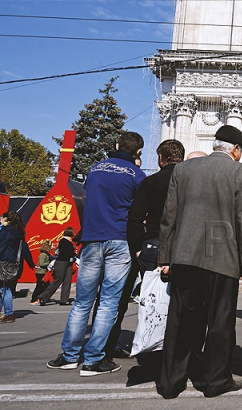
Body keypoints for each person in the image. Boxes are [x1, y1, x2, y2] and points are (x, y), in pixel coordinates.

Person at [157, 125, 242, 399]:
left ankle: (170, 383)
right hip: (222, 260)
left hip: (184, 257)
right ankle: (217, 380)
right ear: (235, 151)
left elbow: (169, 217)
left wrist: (165, 257)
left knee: (180, 321)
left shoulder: (183, 170)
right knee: (220, 322)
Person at [46, 132, 145, 376]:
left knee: (82, 302)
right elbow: (139, 211)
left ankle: (69, 356)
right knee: (109, 302)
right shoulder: (137, 175)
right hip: (120, 241)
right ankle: (94, 360)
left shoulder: (96, 169)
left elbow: (89, 197)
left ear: (116, 145)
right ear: (138, 152)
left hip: (92, 239)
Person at [105, 139, 185, 359]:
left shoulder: (150, 182)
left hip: (153, 243)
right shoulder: (188, 181)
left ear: (161, 158)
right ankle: (177, 348)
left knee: (152, 298)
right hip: (181, 245)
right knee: (179, 300)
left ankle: (151, 343)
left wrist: (137, 247)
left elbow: (136, 216)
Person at [1, 212, 32, 323]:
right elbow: (24, 249)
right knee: (6, 288)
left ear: (6, 219)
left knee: (3, 288)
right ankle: (8, 314)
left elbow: (1, 246)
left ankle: (8, 313)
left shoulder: (6, 231)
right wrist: (31, 263)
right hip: (13, 264)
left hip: (3, 262)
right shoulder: (19, 233)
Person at [36, 227, 77, 306]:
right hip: (62, 262)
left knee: (67, 281)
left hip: (69, 262)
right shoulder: (63, 241)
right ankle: (43, 297)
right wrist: (72, 255)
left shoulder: (69, 242)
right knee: (58, 280)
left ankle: (64, 300)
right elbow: (65, 253)